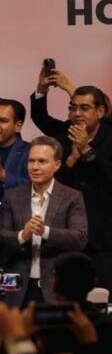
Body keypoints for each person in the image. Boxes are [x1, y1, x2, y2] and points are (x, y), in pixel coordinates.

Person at [0, 137, 88, 306]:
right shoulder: (12, 196)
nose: (35, 167)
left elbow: (79, 238)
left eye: (42, 161)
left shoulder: (72, 197)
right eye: (31, 161)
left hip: (56, 288)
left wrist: (45, 231)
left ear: (57, 165)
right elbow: (0, 237)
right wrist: (23, 235)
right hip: (16, 287)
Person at [50, 85, 112, 290]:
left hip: (104, 238)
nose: (76, 114)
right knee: (70, 297)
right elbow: (53, 186)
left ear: (100, 111)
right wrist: (71, 160)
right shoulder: (61, 140)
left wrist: (87, 150)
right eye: (73, 107)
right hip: (68, 234)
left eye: (84, 108)